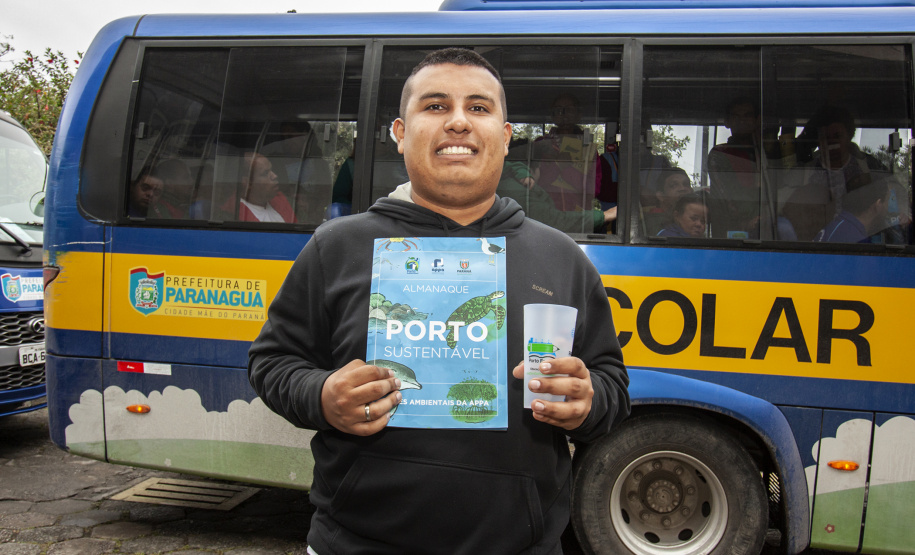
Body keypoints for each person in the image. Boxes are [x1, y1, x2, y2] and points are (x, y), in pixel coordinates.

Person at [248, 48, 630, 555]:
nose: (457, 122)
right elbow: (272, 362)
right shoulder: (336, 246)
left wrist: (588, 403)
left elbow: (611, 387)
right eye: (434, 106)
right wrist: (322, 397)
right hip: (356, 544)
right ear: (400, 133)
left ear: (506, 135)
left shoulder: (562, 258)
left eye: (478, 107)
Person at [814, 177, 890, 243]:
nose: (889, 206)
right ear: (878, 204)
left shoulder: (842, 225)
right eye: (889, 200)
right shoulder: (856, 240)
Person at [235, 152, 295, 223]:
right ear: (247, 182)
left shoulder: (281, 200)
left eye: (271, 170)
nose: (274, 176)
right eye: (265, 173)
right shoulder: (235, 214)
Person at [642, 167, 692, 236]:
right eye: (674, 185)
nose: (682, 188)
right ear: (661, 196)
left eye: (686, 184)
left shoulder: (697, 221)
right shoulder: (649, 224)